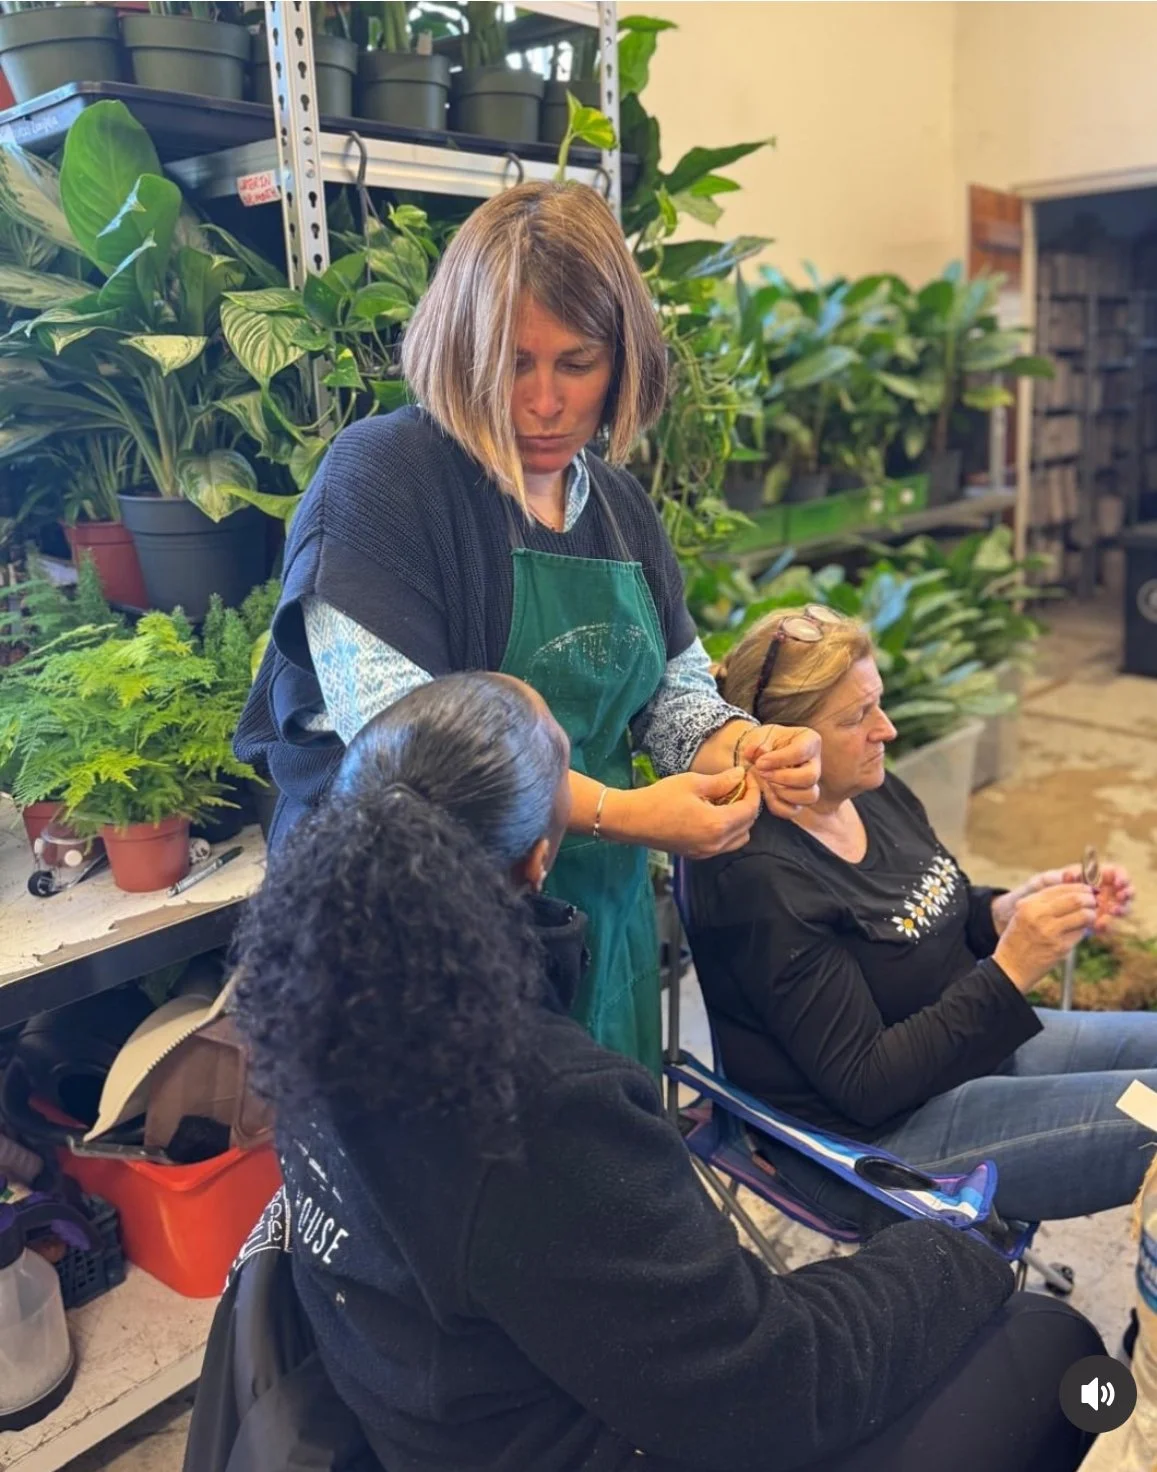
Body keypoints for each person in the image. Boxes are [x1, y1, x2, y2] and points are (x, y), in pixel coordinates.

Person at [231, 670, 1101, 1472]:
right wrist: (958, 1247)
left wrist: (991, 922)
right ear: (541, 856)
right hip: (600, 1437)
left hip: (441, 1411)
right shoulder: (536, 1105)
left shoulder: (328, 1019)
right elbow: (766, 1388)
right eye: (850, 714)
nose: (881, 727)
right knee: (1057, 1351)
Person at [233, 181, 821, 1074]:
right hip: (420, 950)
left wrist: (739, 747)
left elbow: (671, 690)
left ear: (623, 362)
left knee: (604, 1177)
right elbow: (412, 758)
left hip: (596, 925)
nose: (544, 403)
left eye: (575, 362)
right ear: (458, 351)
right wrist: (625, 813)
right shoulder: (384, 481)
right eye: (512, 364)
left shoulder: (616, 504)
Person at [686, 604, 1150, 1234]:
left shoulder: (869, 790)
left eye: (879, 703)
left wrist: (1006, 910)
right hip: (874, 1144)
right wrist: (1013, 967)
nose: (888, 730)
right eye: (856, 718)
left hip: (971, 1052)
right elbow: (867, 1084)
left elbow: (928, 915)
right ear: (779, 743)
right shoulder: (760, 877)